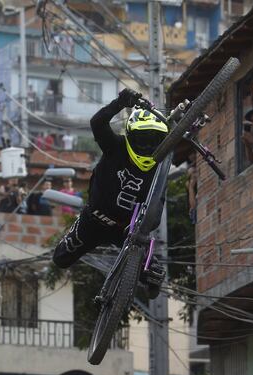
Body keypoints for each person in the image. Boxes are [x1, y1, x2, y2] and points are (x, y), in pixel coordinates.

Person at [52, 88, 167, 299]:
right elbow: (97, 123)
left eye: (155, 140)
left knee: (151, 273)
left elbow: (158, 207)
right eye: (143, 138)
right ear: (130, 134)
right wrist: (120, 103)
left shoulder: (159, 164)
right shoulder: (116, 146)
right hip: (94, 219)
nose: (148, 145)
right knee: (60, 259)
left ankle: (152, 273)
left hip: (127, 230)